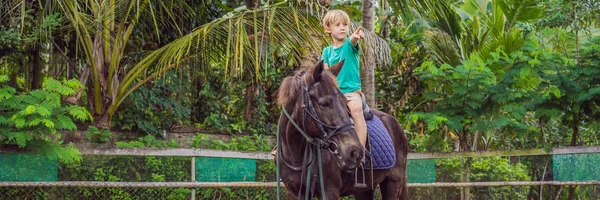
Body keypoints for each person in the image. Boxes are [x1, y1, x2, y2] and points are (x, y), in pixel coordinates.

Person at [321, 10, 368, 151]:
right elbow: (325, 74)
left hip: (350, 93)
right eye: (337, 25)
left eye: (345, 25)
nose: (343, 27)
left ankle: (361, 150)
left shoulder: (349, 45)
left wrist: (355, 37)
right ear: (328, 28)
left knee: (356, 109)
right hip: (334, 95)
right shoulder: (327, 52)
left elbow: (353, 41)